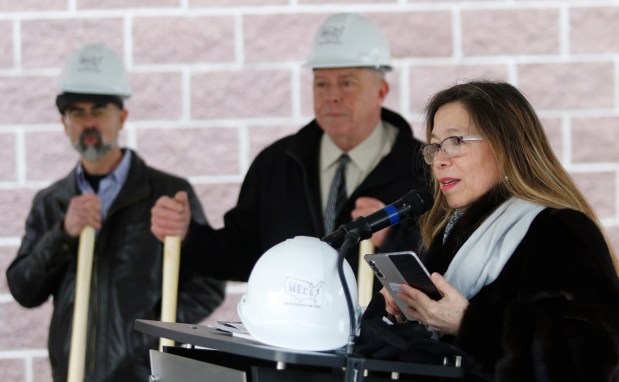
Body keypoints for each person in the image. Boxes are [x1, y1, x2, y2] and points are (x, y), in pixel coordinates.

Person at [367, 80, 619, 381]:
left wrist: (467, 323)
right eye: (435, 146)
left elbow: (598, 360)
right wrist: (401, 312)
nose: (441, 160)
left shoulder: (560, 231)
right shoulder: (448, 234)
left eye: (456, 141)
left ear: (506, 146)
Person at [151, 13, 429, 283]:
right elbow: (241, 254)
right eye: (321, 83)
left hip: (383, 330)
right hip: (293, 330)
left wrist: (392, 239)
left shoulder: (424, 169)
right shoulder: (276, 164)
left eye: (347, 83)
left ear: (381, 91)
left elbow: (447, 262)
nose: (332, 96)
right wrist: (188, 235)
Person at [6, 43, 225, 382]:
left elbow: (209, 283)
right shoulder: (52, 202)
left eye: (99, 110)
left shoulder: (165, 195)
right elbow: (23, 289)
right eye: (77, 113)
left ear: (122, 116)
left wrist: (149, 334)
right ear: (64, 123)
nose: (88, 122)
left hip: (144, 375)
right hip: (73, 374)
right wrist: (62, 234)